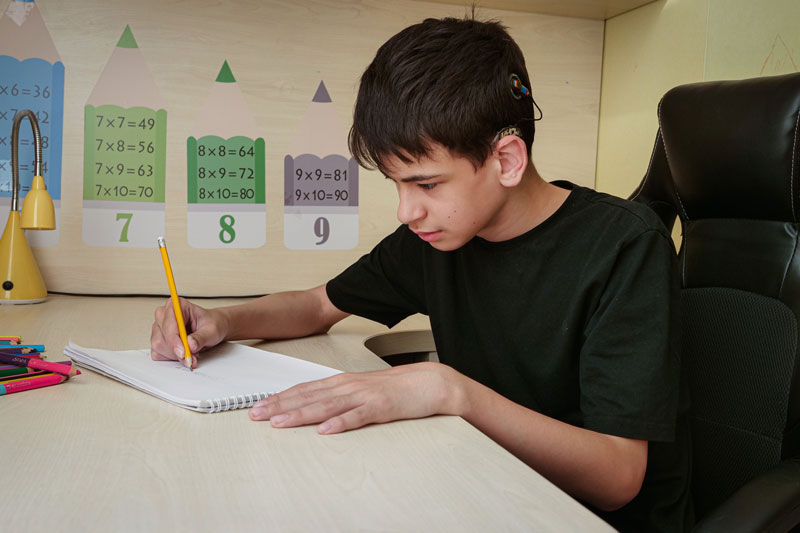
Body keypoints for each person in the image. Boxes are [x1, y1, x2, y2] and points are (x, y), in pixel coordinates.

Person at [151, 16, 692, 531]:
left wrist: (452, 392)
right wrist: (222, 319)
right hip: (489, 489)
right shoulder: (440, 238)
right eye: (397, 184)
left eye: (427, 185)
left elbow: (619, 476)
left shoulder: (625, 248)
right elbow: (319, 305)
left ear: (506, 160)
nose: (406, 211)